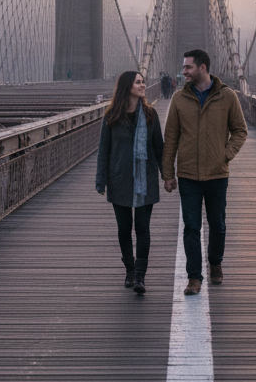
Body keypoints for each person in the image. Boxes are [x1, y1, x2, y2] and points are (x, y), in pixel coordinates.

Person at [162, 48, 247, 296]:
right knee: (191, 227)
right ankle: (194, 277)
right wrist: (168, 174)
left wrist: (225, 154)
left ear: (202, 68)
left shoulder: (227, 96)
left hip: (217, 174)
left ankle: (216, 262)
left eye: (188, 67)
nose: (184, 72)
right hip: (188, 174)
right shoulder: (179, 98)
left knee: (218, 225)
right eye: (184, 67)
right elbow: (171, 139)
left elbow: (240, 131)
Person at [96, 70, 164, 294]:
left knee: (142, 227)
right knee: (124, 228)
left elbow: (159, 149)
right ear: (127, 86)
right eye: (138, 82)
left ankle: (140, 276)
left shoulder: (151, 115)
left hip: (146, 178)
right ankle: (129, 268)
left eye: (143, 81)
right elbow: (104, 150)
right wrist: (101, 179)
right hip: (120, 178)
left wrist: (167, 176)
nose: (143, 85)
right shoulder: (111, 116)